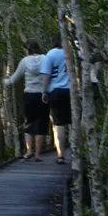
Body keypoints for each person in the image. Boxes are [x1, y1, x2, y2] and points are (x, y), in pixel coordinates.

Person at [4, 39, 50, 161]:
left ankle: (29, 151)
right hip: (43, 95)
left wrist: (6, 81)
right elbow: (49, 75)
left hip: (29, 95)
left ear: (27, 49)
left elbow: (14, 78)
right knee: (41, 123)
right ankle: (38, 154)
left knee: (29, 122)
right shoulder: (45, 59)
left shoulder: (25, 61)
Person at [41, 33, 71, 164]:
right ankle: (78, 153)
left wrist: (44, 91)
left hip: (56, 92)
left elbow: (46, 75)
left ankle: (61, 155)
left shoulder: (51, 54)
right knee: (74, 123)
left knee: (58, 125)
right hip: (71, 91)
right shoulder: (72, 53)